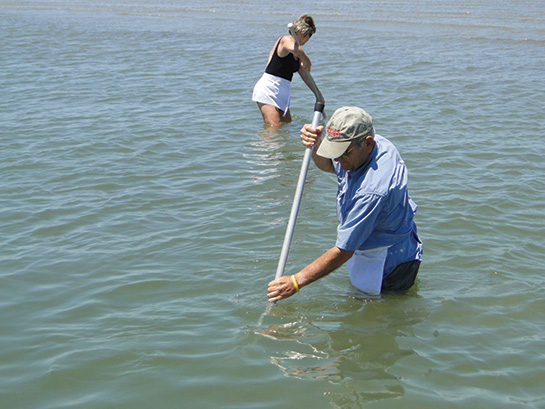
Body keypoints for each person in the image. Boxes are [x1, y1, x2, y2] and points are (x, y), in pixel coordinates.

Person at [267, 106, 423, 302]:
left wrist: (296, 282)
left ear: (367, 143)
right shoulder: (363, 148)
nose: (337, 160)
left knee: (380, 316)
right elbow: (327, 165)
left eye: (343, 153)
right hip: (374, 243)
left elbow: (344, 250)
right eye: (334, 151)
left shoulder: (372, 191)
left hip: (389, 263)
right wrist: (316, 146)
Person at [252, 15, 325, 127]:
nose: (307, 41)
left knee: (286, 125)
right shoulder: (285, 40)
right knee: (274, 126)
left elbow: (305, 75)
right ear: (302, 33)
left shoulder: (298, 54)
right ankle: (264, 144)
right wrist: (307, 60)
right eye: (308, 37)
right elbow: (293, 48)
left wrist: (318, 94)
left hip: (282, 92)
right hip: (269, 89)